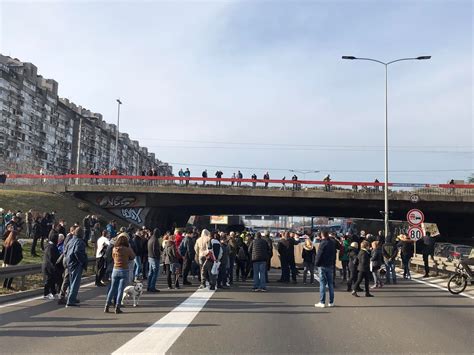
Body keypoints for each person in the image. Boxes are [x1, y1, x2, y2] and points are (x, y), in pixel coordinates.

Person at [104, 233, 136, 314]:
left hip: (115, 269)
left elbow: (113, 256)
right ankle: (117, 306)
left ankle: (107, 305)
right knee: (120, 289)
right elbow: (133, 257)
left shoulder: (114, 248)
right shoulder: (127, 249)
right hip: (124, 270)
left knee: (112, 288)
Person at [64, 227, 88, 307]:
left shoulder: (71, 240)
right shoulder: (80, 242)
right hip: (76, 263)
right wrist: (82, 261)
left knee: (71, 281)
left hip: (69, 263)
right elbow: (77, 251)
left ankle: (71, 298)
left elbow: (65, 251)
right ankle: (71, 300)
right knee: (75, 282)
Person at [314, 231, 336, 308]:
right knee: (330, 284)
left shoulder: (323, 243)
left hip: (322, 265)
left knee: (322, 283)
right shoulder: (332, 243)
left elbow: (319, 254)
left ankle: (322, 302)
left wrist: (316, 264)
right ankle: (331, 302)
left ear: (322, 235)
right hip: (330, 264)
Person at [42, 232, 60, 299]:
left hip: (49, 266)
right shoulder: (51, 247)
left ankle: (54, 292)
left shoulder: (50, 245)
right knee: (49, 280)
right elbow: (52, 258)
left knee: (52, 280)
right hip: (49, 266)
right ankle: (46, 293)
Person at [147, 228, 162, 292]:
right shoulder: (155, 240)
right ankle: (152, 287)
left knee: (150, 273)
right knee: (155, 273)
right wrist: (158, 256)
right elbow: (155, 250)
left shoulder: (150, 239)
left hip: (150, 257)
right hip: (154, 258)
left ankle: (149, 286)